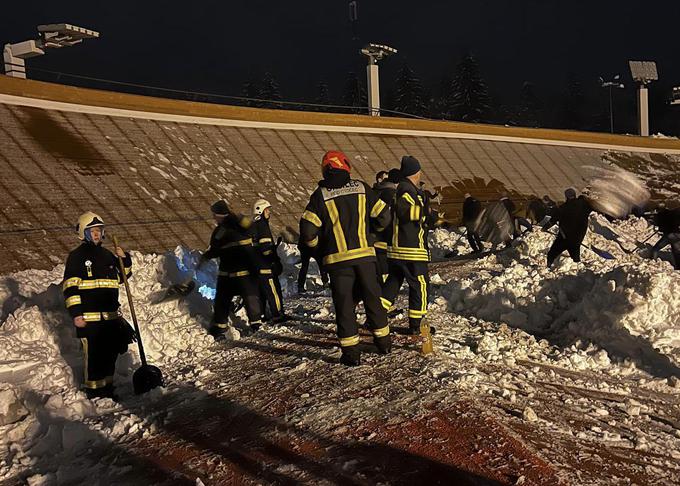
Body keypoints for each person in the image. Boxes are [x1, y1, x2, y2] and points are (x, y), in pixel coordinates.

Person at [300, 150, 392, 366]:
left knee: (344, 306)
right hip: (365, 258)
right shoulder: (361, 188)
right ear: (345, 166)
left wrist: (318, 249)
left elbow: (307, 232)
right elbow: (384, 216)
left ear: (326, 169)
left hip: (337, 262)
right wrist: (372, 232)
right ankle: (384, 344)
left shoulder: (320, 195)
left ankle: (352, 355)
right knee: (373, 300)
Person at [62, 212, 136, 400]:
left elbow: (122, 278)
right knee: (95, 358)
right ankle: (95, 392)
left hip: (110, 318)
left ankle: (107, 388)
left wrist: (124, 259)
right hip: (90, 319)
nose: (96, 234)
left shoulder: (108, 255)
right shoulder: (77, 257)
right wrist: (76, 314)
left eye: (99, 230)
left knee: (110, 355)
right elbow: (70, 287)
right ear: (84, 233)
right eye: (92, 231)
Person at [381, 156, 439, 335]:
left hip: (400, 248)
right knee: (420, 284)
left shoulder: (408, 189)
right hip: (411, 248)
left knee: (393, 282)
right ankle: (417, 324)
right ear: (416, 171)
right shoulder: (407, 189)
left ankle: (377, 315)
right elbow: (404, 210)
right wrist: (427, 213)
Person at [199, 200, 263, 339]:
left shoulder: (220, 230)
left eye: (214, 215)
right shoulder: (240, 222)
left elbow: (215, 248)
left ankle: (219, 329)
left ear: (219, 215)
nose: (214, 219)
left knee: (222, 300)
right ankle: (256, 325)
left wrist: (205, 257)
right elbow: (253, 229)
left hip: (228, 272)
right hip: (245, 270)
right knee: (250, 297)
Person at [251, 199, 286, 323]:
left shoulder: (254, 225)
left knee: (262, 293)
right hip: (266, 266)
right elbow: (266, 248)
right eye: (267, 210)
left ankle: (263, 314)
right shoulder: (262, 226)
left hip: (258, 266)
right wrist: (273, 261)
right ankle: (277, 314)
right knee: (273, 291)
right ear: (261, 210)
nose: (269, 212)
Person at [546, 188, 592, 267]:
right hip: (578, 237)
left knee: (552, 253)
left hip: (565, 237)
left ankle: (548, 267)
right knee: (575, 254)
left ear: (566, 197)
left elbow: (553, 220)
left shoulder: (563, 208)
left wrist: (544, 228)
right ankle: (578, 269)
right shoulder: (583, 205)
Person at [372, 168, 401, 282]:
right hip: (386, 235)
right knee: (385, 268)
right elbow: (387, 217)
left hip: (373, 236)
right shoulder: (392, 194)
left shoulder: (374, 191)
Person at [651, 204, 680, 269]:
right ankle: (678, 267)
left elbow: (661, 227)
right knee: (677, 252)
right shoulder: (671, 213)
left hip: (670, 235)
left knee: (655, 249)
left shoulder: (661, 215)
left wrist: (661, 228)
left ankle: (652, 264)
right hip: (677, 235)